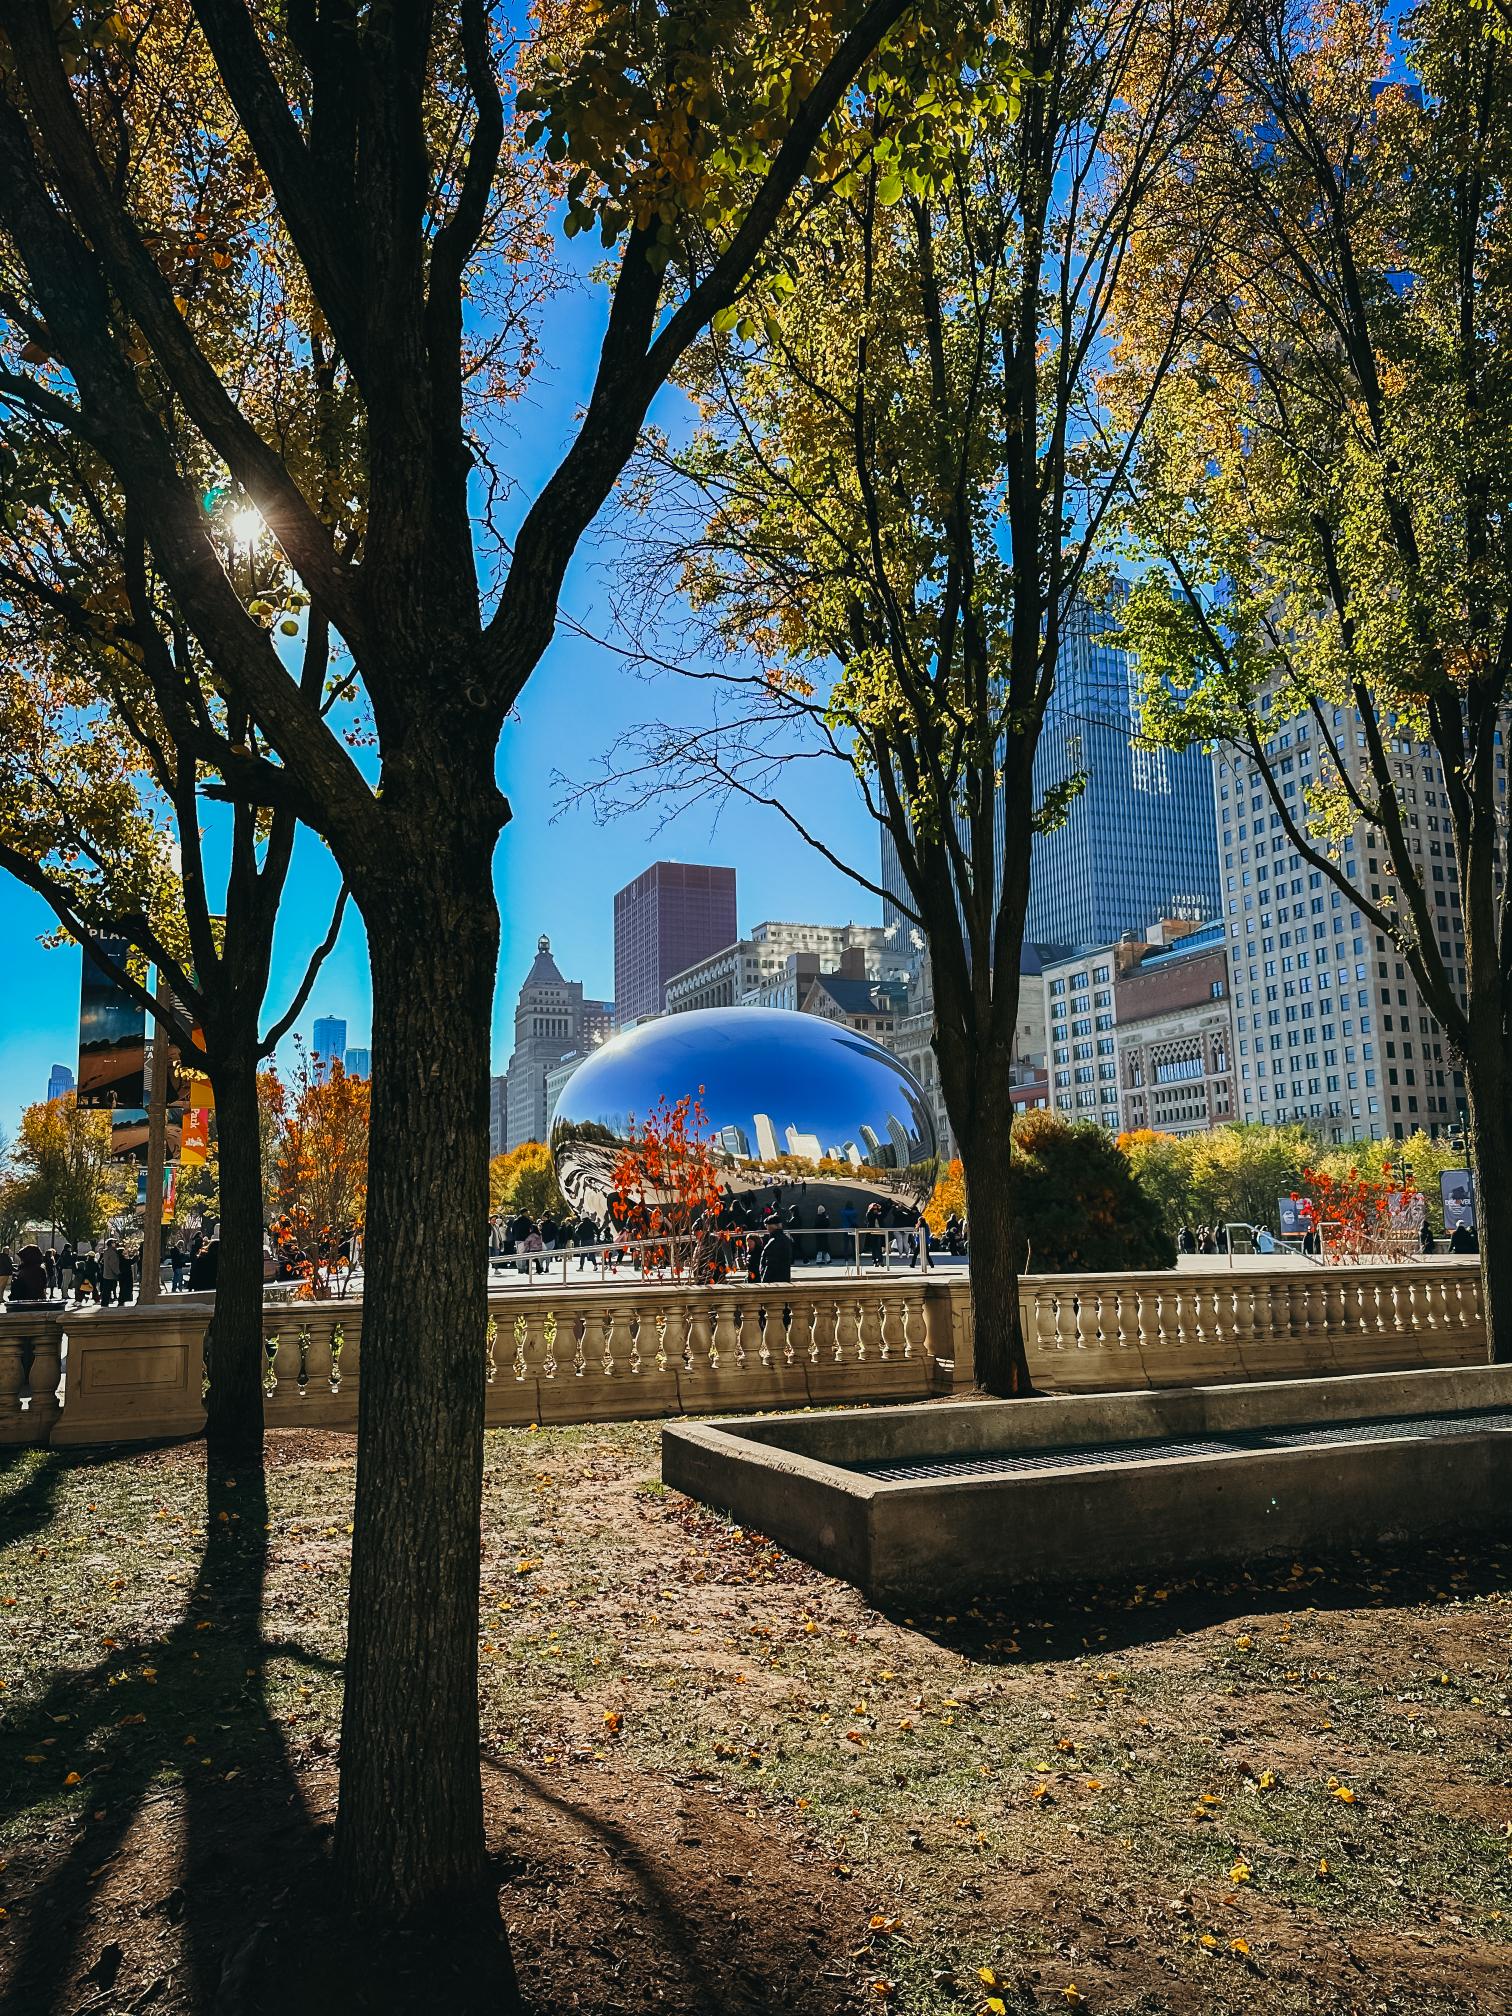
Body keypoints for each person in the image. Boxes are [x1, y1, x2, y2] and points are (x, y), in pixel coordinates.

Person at [757, 1211, 794, 1284]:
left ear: (771, 1227)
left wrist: (764, 1280)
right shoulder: (786, 1239)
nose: (767, 1229)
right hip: (784, 1278)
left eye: (767, 1226)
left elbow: (770, 1264)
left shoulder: (774, 1241)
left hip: (773, 1280)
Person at [99, 1237, 121, 1307]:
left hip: (106, 1273)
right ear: (111, 1244)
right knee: (108, 1289)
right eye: (114, 1242)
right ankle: (105, 1303)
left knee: (106, 1290)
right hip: (111, 1274)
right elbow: (113, 1264)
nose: (116, 1244)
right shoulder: (112, 1252)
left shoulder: (106, 1252)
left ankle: (104, 1302)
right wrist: (118, 1272)